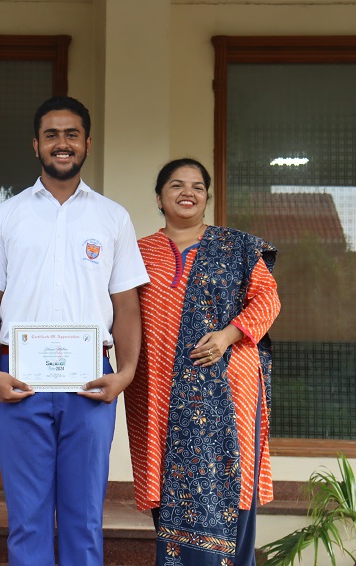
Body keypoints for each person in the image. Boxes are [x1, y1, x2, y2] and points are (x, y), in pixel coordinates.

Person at [0, 96, 150, 566]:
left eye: (71, 134)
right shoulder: (5, 217)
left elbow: (126, 305)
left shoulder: (113, 217)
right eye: (51, 135)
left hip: (92, 383)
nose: (61, 143)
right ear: (36, 145)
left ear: (87, 143)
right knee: (27, 517)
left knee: (83, 516)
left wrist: (126, 373)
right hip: (18, 381)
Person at [125, 158, 280, 565]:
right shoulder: (136, 254)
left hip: (231, 385)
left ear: (207, 197)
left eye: (197, 186)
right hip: (159, 390)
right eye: (176, 185)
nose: (187, 192)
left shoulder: (237, 246)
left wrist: (228, 335)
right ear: (159, 198)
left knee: (232, 479)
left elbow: (269, 299)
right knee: (170, 477)